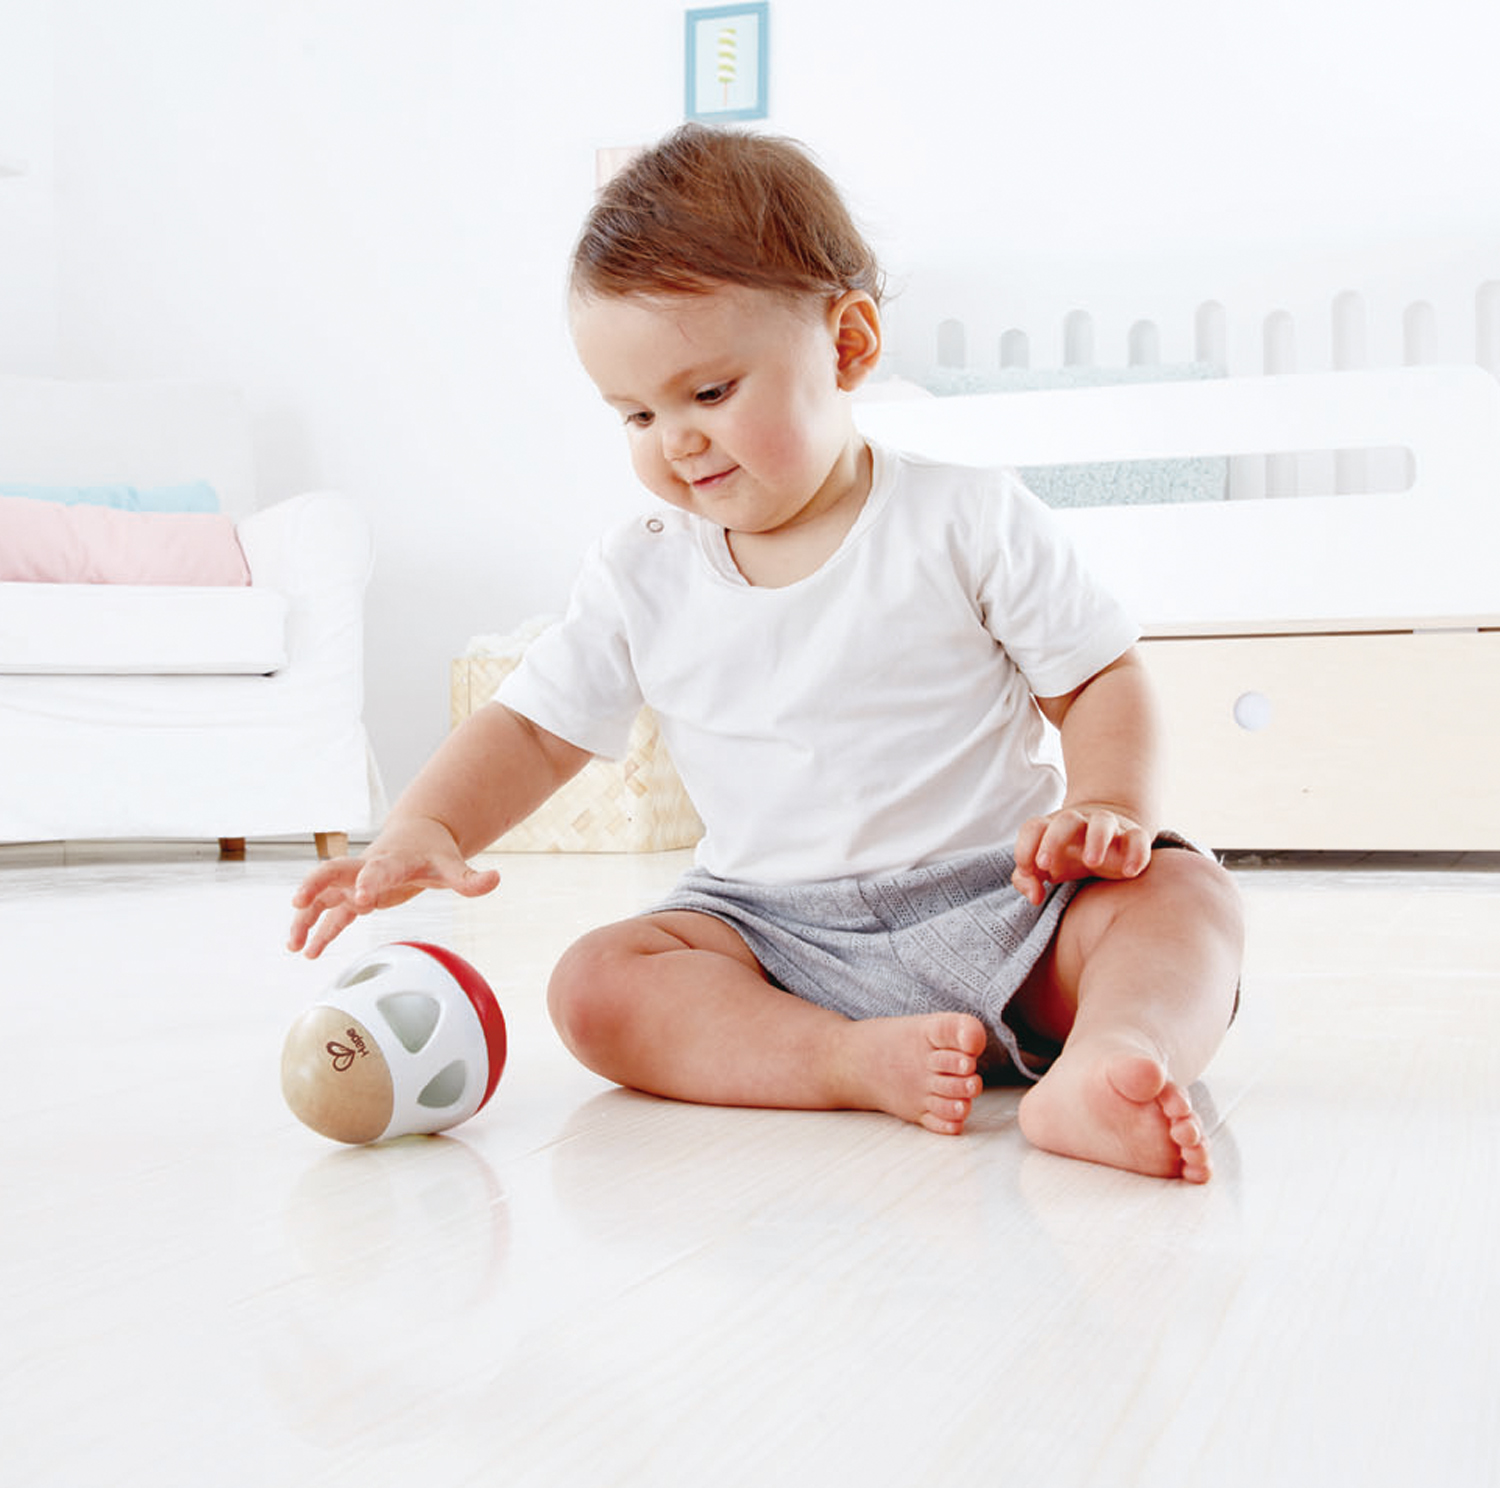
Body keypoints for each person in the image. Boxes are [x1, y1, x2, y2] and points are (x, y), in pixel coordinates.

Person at [289, 123, 1244, 1183]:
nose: (676, 440)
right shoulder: (641, 570)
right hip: (772, 938)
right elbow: (531, 729)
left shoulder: (966, 518)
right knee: (598, 984)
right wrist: (427, 826)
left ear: (848, 346)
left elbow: (1099, 675)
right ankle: (842, 1059)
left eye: (709, 394)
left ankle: (1112, 1060)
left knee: (1184, 896)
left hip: (1003, 907)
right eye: (636, 414)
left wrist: (1107, 805)